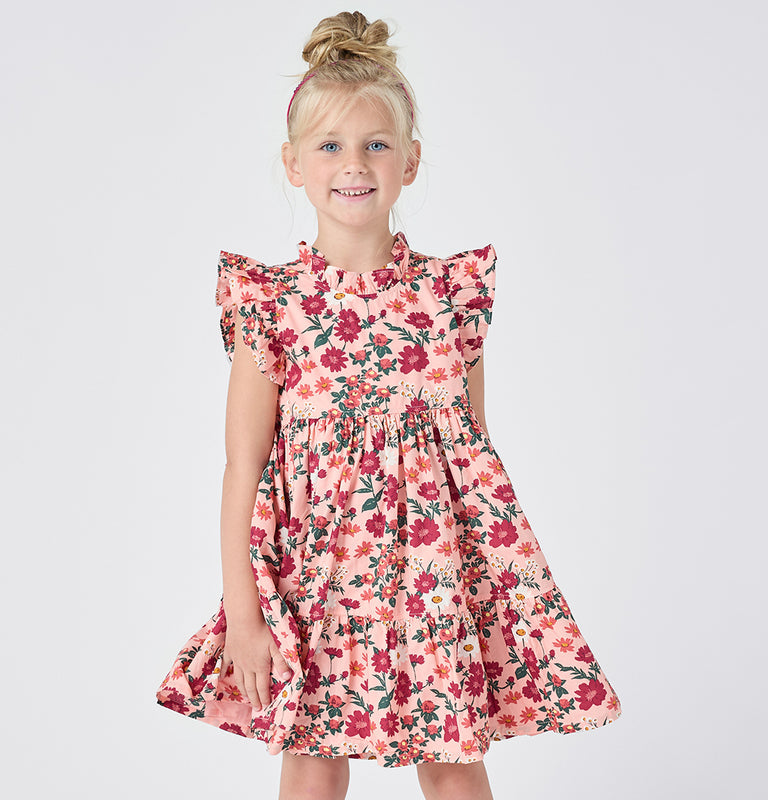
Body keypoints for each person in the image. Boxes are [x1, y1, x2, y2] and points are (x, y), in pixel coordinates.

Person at [156, 10, 622, 800]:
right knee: (312, 762)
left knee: (451, 761)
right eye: (330, 146)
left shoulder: (449, 298)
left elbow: (472, 457)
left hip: (433, 579)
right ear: (292, 163)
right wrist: (244, 610)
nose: (354, 164)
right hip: (315, 582)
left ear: (410, 161)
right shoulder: (272, 305)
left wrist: (489, 599)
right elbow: (243, 466)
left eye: (376, 144)